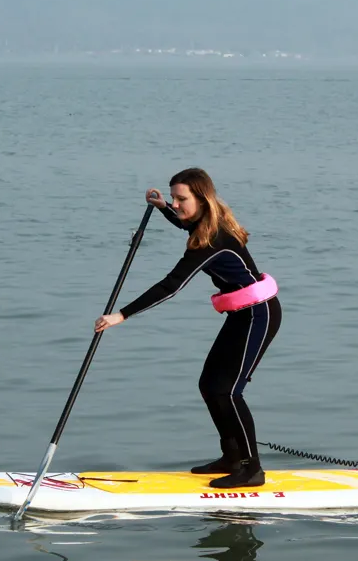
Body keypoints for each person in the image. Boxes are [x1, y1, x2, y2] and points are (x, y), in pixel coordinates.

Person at [94, 168, 281, 488]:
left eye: (182, 199)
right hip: (241, 315)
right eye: (175, 198)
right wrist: (163, 207)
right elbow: (186, 222)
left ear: (202, 199)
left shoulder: (212, 241)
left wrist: (121, 315)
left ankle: (252, 470)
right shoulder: (205, 224)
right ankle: (232, 457)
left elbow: (171, 286)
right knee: (210, 385)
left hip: (258, 315)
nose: (177, 203)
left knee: (228, 391)